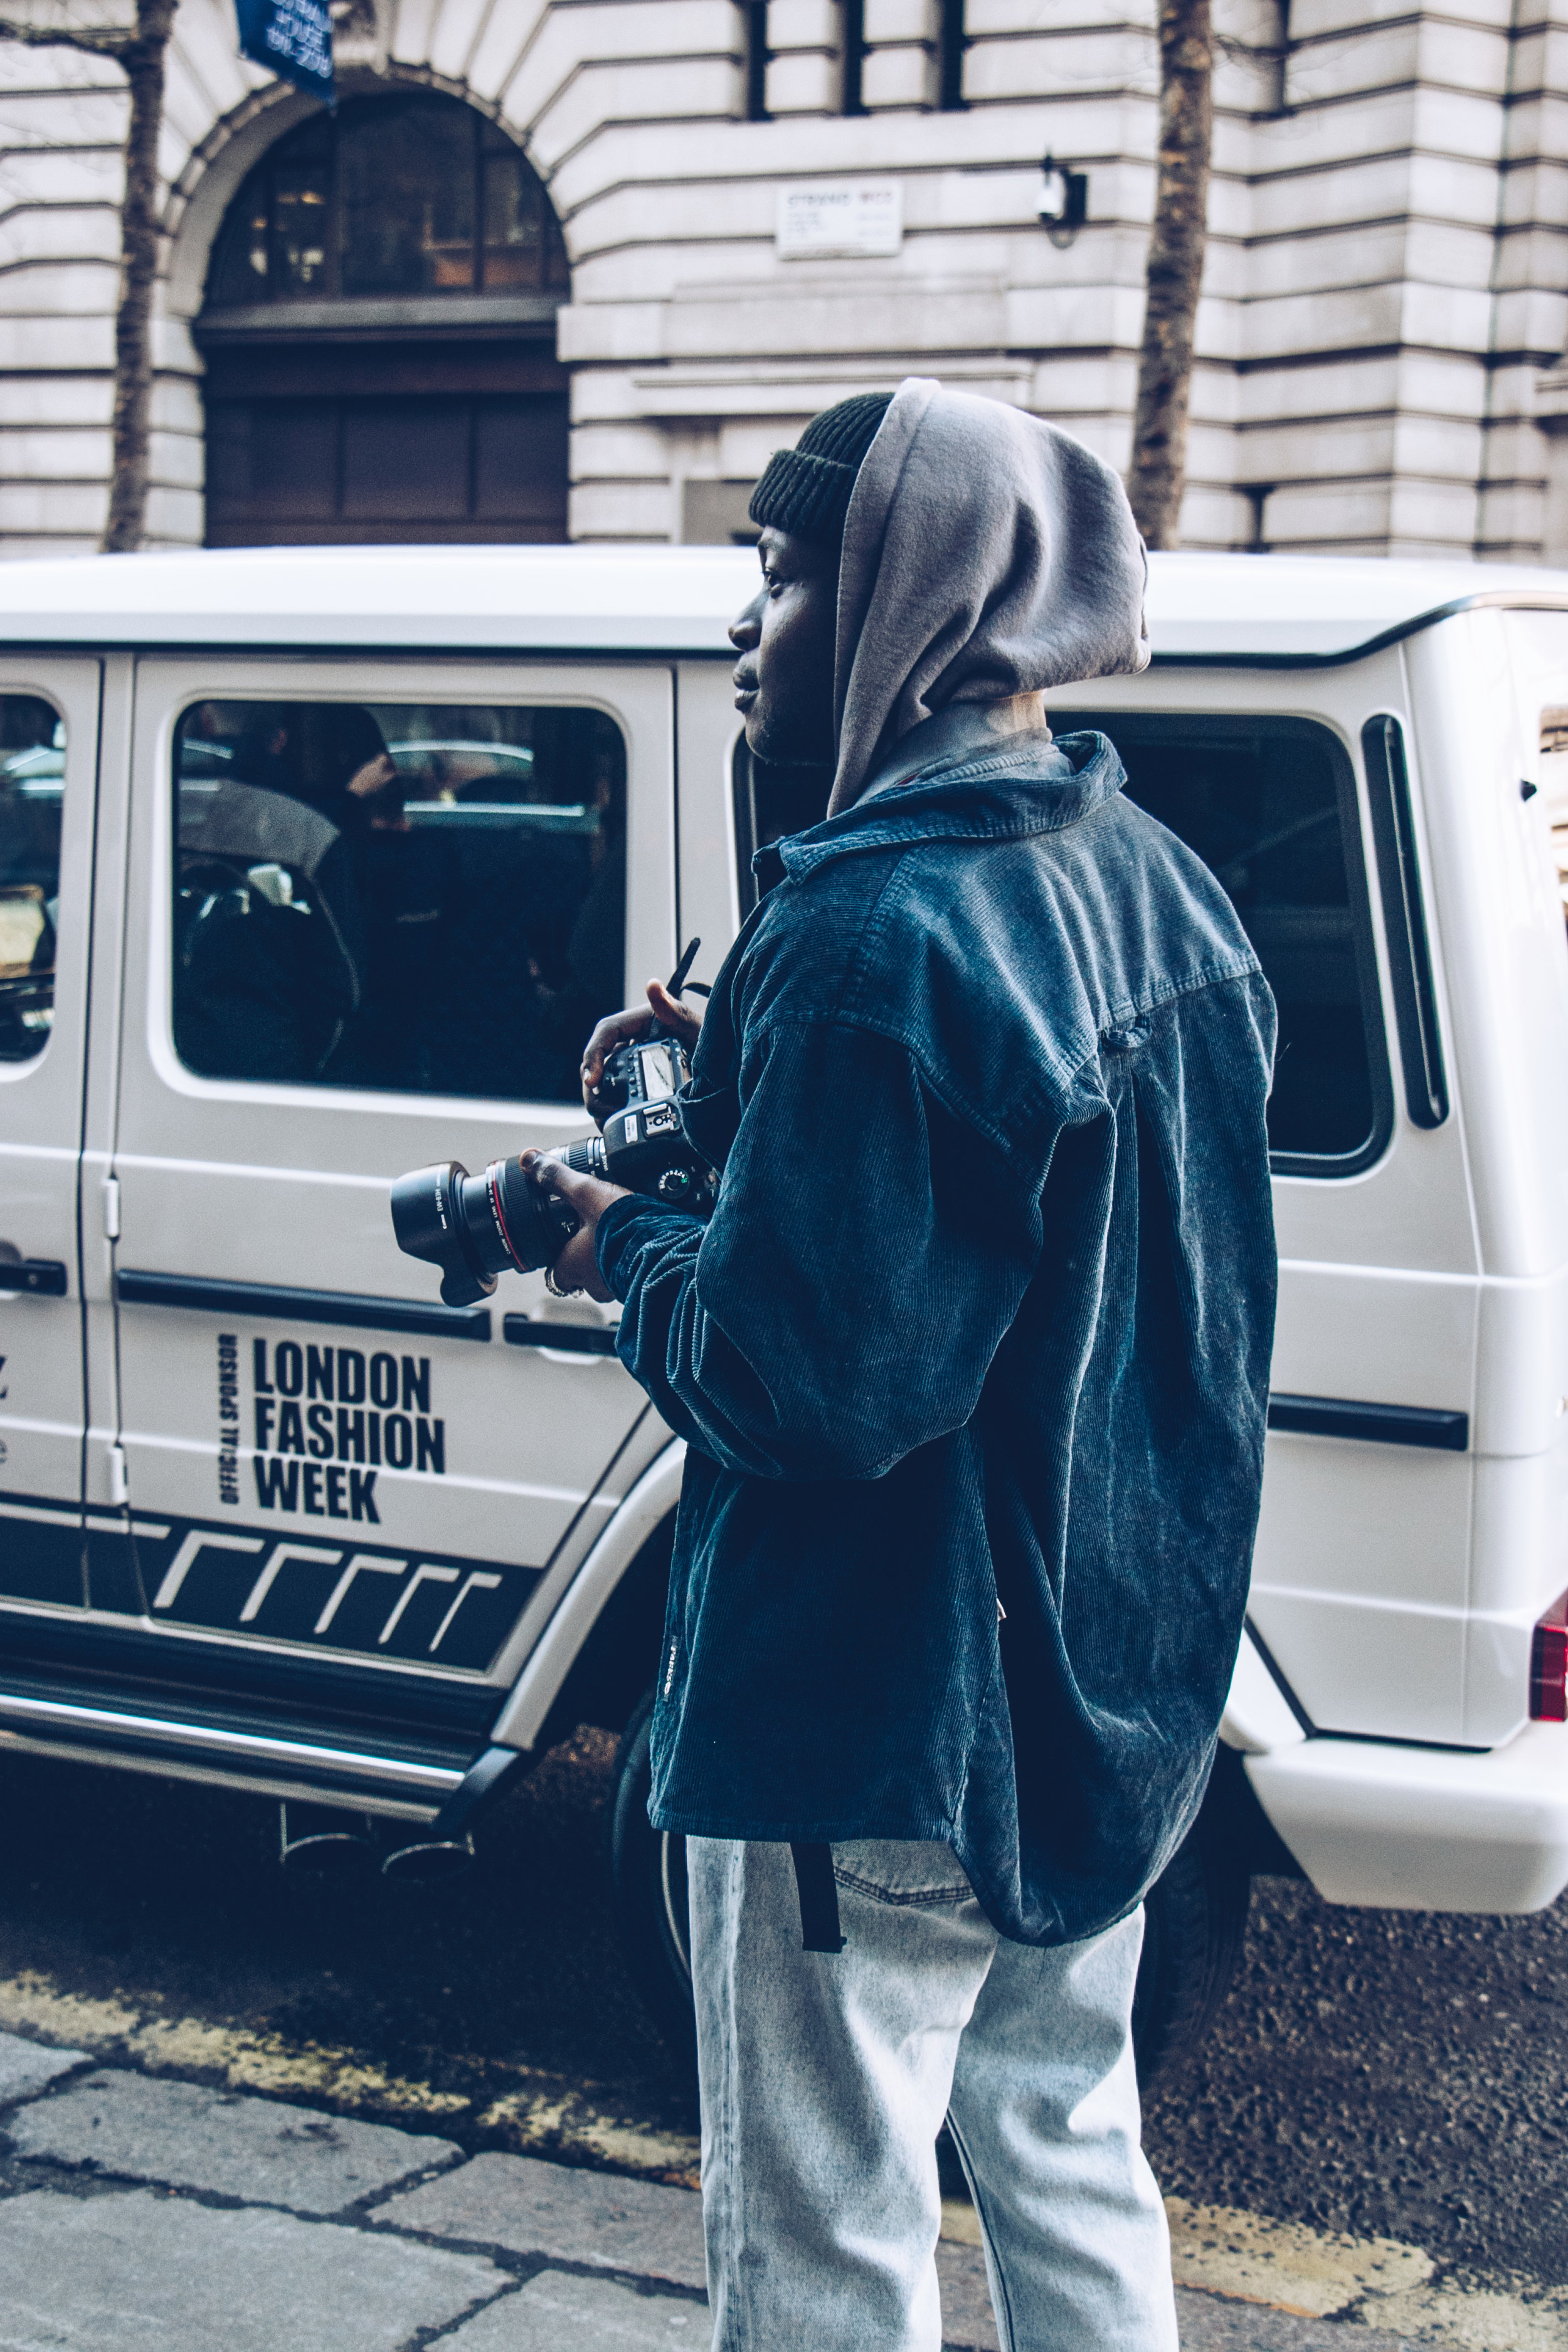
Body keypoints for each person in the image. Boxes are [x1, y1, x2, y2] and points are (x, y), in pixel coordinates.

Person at [538, 379, 1278, 2352]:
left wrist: (619, 1236)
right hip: (1103, 1693)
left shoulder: (874, 928)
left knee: (823, 2231)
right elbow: (1015, 1262)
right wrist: (727, 1120)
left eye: (780, 578)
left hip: (868, 1722)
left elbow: (804, 1381)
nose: (743, 626)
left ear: (915, 605)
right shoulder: (1151, 880)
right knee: (1063, 2142)